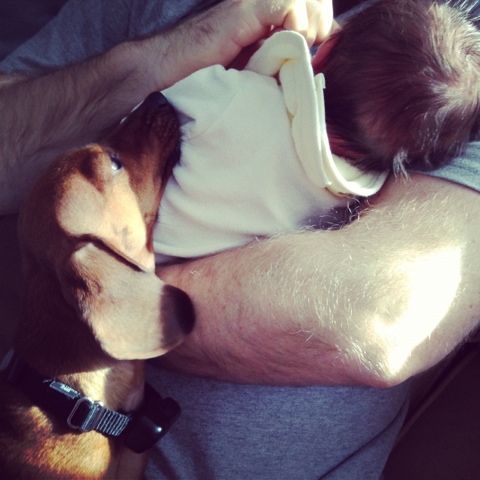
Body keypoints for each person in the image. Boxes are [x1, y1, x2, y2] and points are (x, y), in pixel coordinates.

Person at [0, 1, 479, 479]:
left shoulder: (456, 56)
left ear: (323, 51)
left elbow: (383, 315)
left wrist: (85, 296)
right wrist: (172, 50)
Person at [152, 0, 480, 263]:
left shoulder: (235, 95)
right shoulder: (346, 202)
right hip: (174, 272)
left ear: (324, 49)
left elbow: (145, 112)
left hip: (141, 230)